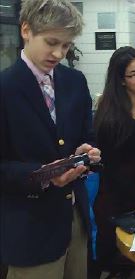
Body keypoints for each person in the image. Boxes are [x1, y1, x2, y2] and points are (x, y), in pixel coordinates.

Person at [0, 0, 101, 278]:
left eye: (66, 45)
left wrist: (87, 151)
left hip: (75, 220)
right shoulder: (5, 88)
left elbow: (85, 135)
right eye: (51, 42)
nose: (58, 53)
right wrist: (43, 176)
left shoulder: (75, 81)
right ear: (26, 30)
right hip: (30, 230)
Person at [92, 47, 135, 276]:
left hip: (133, 201)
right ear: (122, 80)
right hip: (114, 208)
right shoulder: (113, 118)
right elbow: (114, 173)